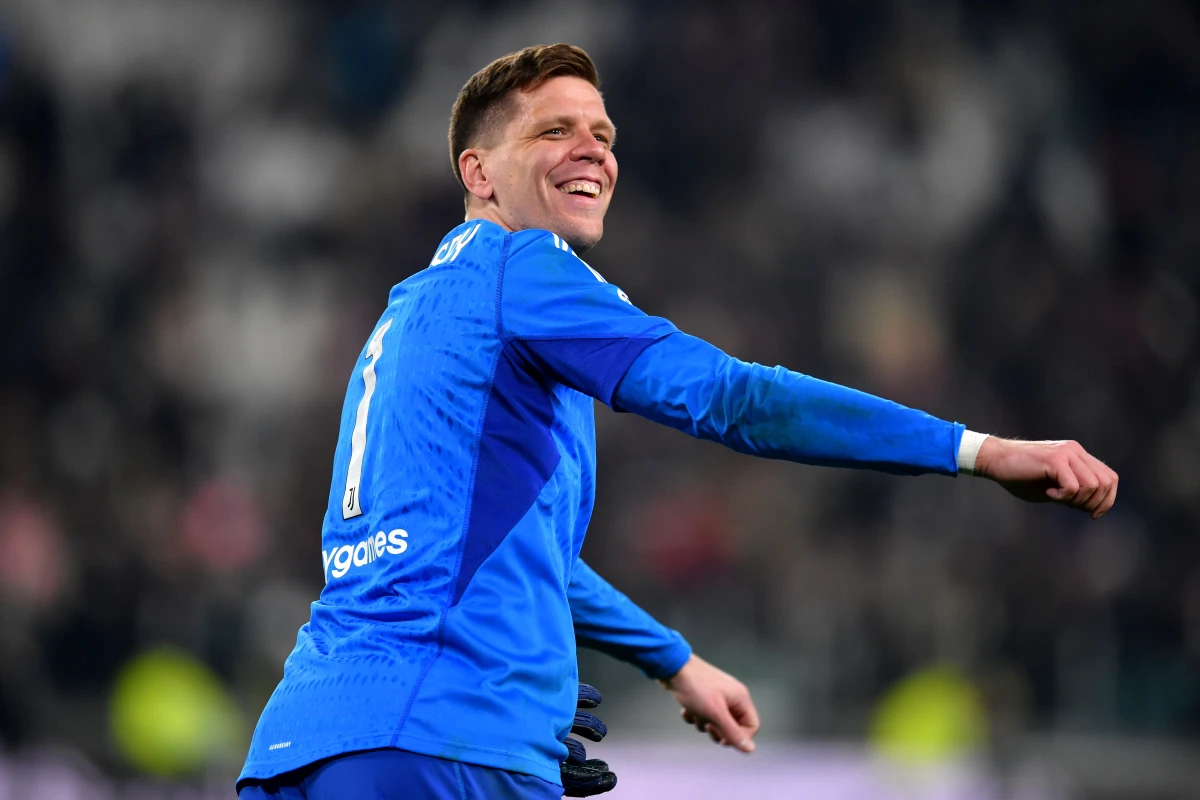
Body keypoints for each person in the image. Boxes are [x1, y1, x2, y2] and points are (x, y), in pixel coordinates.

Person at [236, 44, 1117, 799]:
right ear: (477, 173)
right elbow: (735, 399)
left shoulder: (407, 322)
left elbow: (500, 550)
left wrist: (673, 661)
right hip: (445, 743)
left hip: (303, 746)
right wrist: (977, 449)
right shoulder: (523, 268)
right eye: (554, 131)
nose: (594, 150)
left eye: (604, 135)